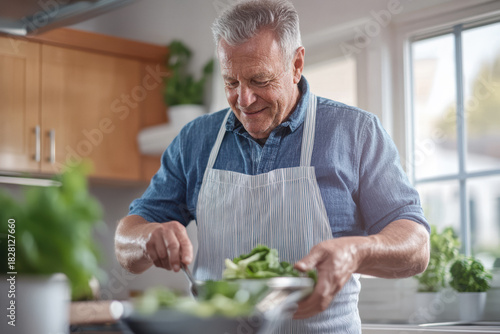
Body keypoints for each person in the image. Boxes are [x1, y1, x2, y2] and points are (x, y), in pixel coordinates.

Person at [115, 0, 430, 332]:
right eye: (231, 83)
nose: (244, 100)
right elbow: (126, 244)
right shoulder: (196, 140)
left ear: (296, 64)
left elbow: (416, 247)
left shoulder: (355, 132)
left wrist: (358, 250)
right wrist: (148, 236)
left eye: (259, 80)